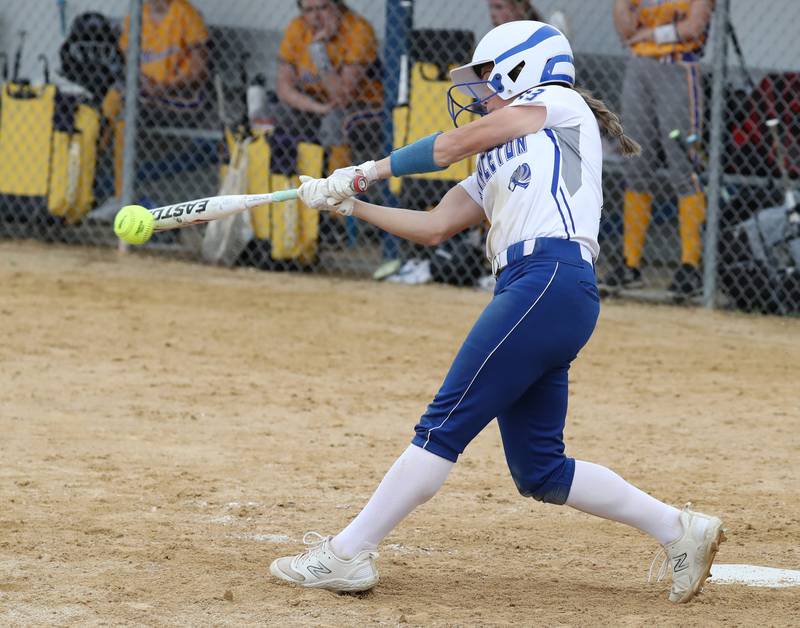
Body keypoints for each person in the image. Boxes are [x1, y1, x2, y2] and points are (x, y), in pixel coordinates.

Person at [268, 21, 726, 603]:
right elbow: (435, 226)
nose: (479, 93)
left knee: (442, 425)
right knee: (540, 470)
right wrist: (351, 205)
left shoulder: (557, 105)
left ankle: (346, 553)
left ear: (521, 68)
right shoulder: (500, 156)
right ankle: (679, 529)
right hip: (537, 292)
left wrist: (367, 169)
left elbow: (449, 145)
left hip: (548, 279)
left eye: (486, 79)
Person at [605, 0, 714, 295]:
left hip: (678, 66)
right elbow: (627, 32)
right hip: (639, 68)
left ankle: (691, 265)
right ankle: (630, 263)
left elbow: (693, 27)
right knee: (636, 164)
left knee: (684, 164)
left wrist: (652, 35)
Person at [101, 0, 209, 199]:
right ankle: (106, 182)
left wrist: (164, 87)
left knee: (121, 106)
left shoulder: (185, 13)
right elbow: (128, 58)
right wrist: (141, 81)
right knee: (115, 101)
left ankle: (119, 194)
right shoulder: (137, 14)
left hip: (181, 96)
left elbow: (199, 71)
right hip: (145, 94)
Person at [273, 0, 383, 176]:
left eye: (323, 8)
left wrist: (318, 50)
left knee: (334, 121)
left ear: (337, 6)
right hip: (317, 102)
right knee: (279, 113)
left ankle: (337, 187)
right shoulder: (297, 26)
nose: (316, 16)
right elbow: (283, 88)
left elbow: (341, 96)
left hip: (364, 104)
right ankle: (291, 187)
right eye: (309, 10)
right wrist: (318, 108)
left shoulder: (358, 29)